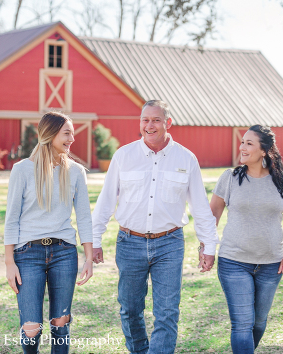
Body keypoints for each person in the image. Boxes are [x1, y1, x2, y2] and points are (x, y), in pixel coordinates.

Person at [91, 100, 219, 354]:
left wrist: (209, 245)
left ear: (168, 123)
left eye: (156, 120)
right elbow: (106, 201)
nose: (149, 126)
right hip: (129, 243)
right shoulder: (124, 156)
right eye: (145, 120)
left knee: (167, 312)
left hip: (170, 244)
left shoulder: (186, 158)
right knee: (129, 309)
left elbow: (201, 207)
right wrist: (95, 239)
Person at [4, 112, 93, 354]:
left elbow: (84, 216)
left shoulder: (76, 172)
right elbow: (11, 219)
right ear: (51, 134)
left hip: (64, 253)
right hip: (27, 254)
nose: (72, 139)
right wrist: (9, 262)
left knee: (60, 323)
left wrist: (88, 257)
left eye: (72, 133)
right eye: (67, 133)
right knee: (31, 327)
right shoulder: (22, 170)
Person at [207, 124, 283, 354]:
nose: (243, 147)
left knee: (258, 322)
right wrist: (206, 247)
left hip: (271, 264)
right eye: (242, 142)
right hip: (234, 261)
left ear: (264, 151)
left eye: (249, 143)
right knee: (242, 324)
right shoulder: (230, 178)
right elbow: (213, 215)